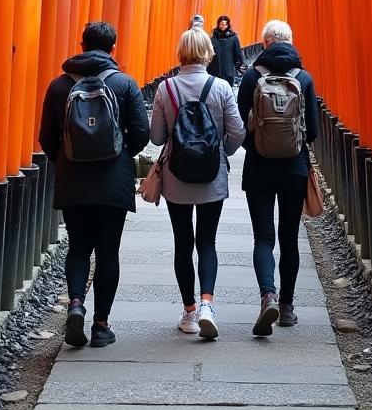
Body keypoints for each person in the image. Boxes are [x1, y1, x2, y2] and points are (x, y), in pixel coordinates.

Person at [39, 21, 150, 349]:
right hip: (113, 181)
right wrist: (120, 151)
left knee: (77, 247)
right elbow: (141, 132)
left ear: (83, 44)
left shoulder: (59, 86)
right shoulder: (125, 84)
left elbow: (46, 137)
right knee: (107, 251)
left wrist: (65, 159)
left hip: (73, 180)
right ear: (112, 48)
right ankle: (101, 326)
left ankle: (75, 304)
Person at [150, 28, 245, 339]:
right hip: (211, 177)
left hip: (177, 178)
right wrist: (222, 152)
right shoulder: (220, 87)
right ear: (208, 53)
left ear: (180, 53)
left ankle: (189, 312)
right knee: (207, 242)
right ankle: (207, 305)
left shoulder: (167, 89)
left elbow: (157, 137)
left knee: (182, 242)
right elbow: (238, 132)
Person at [236, 19, 319, 337]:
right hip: (294, 169)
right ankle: (286, 308)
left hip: (259, 166)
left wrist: (254, 145)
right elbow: (311, 130)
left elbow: (240, 121)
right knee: (289, 238)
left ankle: (267, 295)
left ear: (265, 43)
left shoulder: (252, 76)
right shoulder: (305, 78)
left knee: (263, 238)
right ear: (291, 41)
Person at [207, 15, 243, 84]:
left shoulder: (233, 37)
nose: (223, 26)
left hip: (228, 72)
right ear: (218, 24)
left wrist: (239, 65)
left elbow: (237, 53)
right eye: (221, 24)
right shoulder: (212, 36)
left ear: (228, 25)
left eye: (225, 24)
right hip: (214, 70)